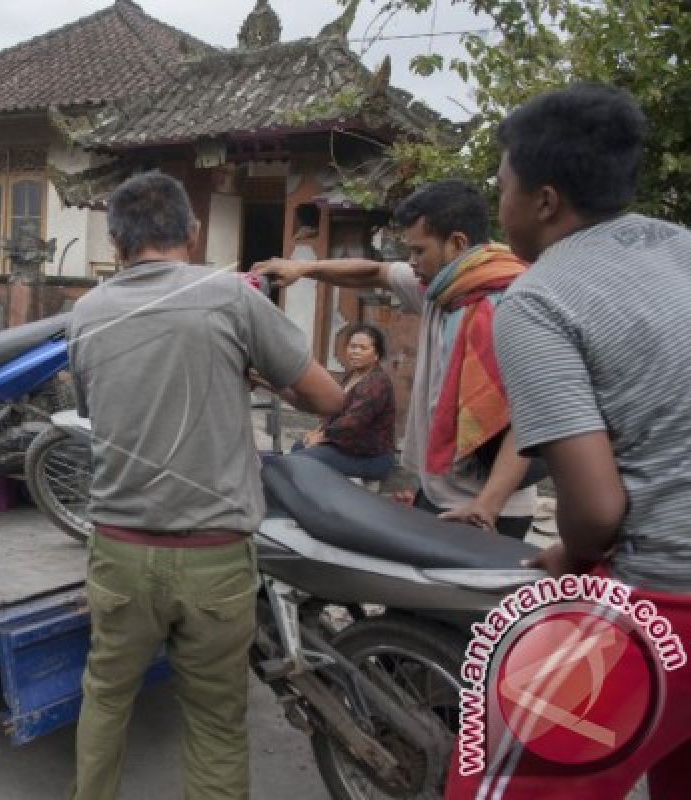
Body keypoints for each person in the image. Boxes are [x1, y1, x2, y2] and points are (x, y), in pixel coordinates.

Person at [445, 83, 691, 800]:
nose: (502, 205)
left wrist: (570, 553)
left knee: (492, 782)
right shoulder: (680, 247)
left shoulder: (539, 297)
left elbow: (595, 511)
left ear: (545, 201)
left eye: (505, 186)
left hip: (666, 595)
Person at [67, 170, 344, 800]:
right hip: (214, 559)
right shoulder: (231, 297)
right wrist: (260, 378)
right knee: (216, 724)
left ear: (115, 243)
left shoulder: (84, 313)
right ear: (194, 233)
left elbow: (96, 408)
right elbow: (326, 398)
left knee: (106, 700)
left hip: (118, 553)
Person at [255, 180, 537, 539]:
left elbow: (529, 413)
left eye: (419, 251)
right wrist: (303, 269)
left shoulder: (512, 305)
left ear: (458, 244)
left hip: (488, 507)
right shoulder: (441, 289)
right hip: (437, 491)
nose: (411, 263)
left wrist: (488, 507)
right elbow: (375, 272)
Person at [270, 323, 396, 480]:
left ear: (376, 354)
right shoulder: (352, 375)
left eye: (363, 348)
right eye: (352, 346)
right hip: (346, 446)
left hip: (369, 456)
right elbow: (336, 409)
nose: (355, 351)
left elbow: (353, 422)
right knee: (299, 446)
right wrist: (318, 430)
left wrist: (323, 436)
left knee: (301, 459)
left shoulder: (377, 383)